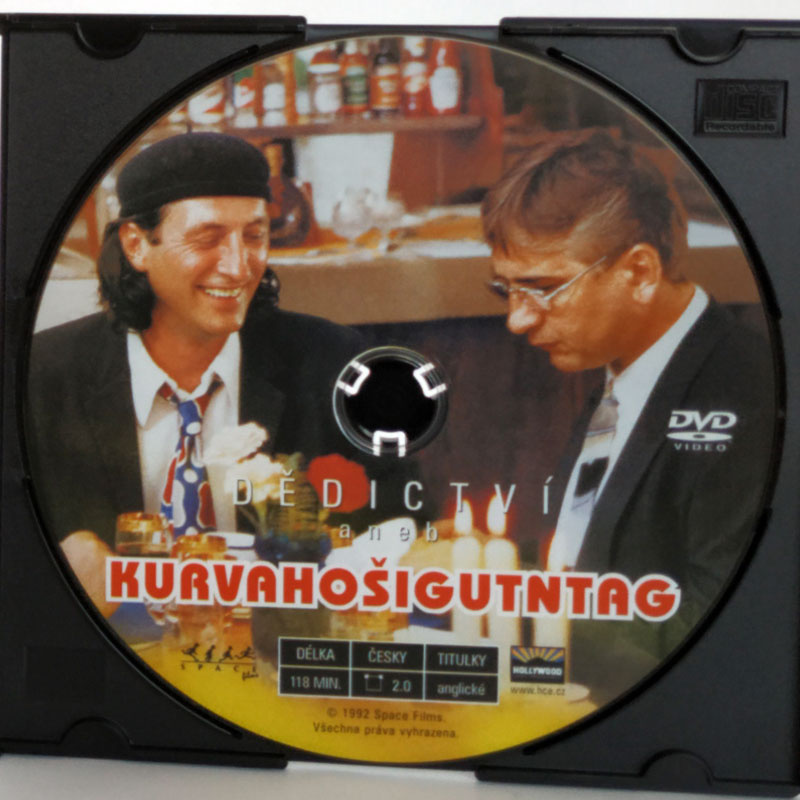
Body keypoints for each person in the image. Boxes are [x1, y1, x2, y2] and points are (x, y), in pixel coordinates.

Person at [481, 129, 775, 700]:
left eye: (543, 288)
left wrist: (531, 620)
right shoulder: (622, 365)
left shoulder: (749, 394)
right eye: (506, 290)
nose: (518, 320)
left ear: (639, 273)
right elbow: (592, 552)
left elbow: (719, 632)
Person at [27, 132, 369, 618]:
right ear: (136, 245)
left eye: (254, 236)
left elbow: (400, 528)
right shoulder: (41, 377)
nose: (238, 266)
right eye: (207, 238)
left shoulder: (334, 363)